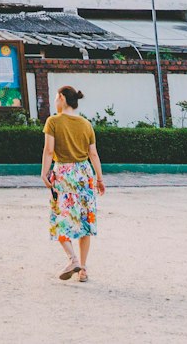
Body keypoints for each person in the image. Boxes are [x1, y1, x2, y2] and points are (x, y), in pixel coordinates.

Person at [41, 85, 106, 282]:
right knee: (84, 220)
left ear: (61, 98)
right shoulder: (86, 124)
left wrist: (44, 172)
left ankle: (72, 258)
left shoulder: (53, 121)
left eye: (55, 97)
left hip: (64, 173)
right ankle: (83, 269)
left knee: (60, 218)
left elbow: (49, 151)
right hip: (84, 173)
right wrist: (99, 179)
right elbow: (93, 153)